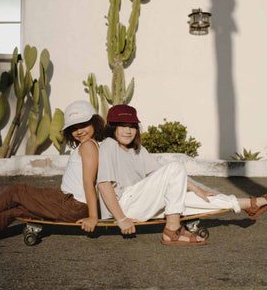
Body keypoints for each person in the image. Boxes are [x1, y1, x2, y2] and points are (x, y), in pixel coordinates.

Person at [97, 104, 267, 246]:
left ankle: (252, 204)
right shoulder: (109, 146)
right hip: (123, 206)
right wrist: (121, 219)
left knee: (193, 199)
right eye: (123, 125)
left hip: (139, 204)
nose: (128, 131)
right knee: (176, 167)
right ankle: (172, 229)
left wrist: (197, 190)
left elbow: (163, 174)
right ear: (112, 127)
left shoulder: (138, 150)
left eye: (132, 126)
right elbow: (103, 185)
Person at [0, 100, 104, 245]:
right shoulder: (88, 145)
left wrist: (93, 217)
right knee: (18, 211)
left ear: (95, 122)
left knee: (16, 191)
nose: (79, 131)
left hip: (73, 206)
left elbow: (88, 182)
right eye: (74, 128)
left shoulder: (88, 146)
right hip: (70, 204)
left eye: (84, 125)